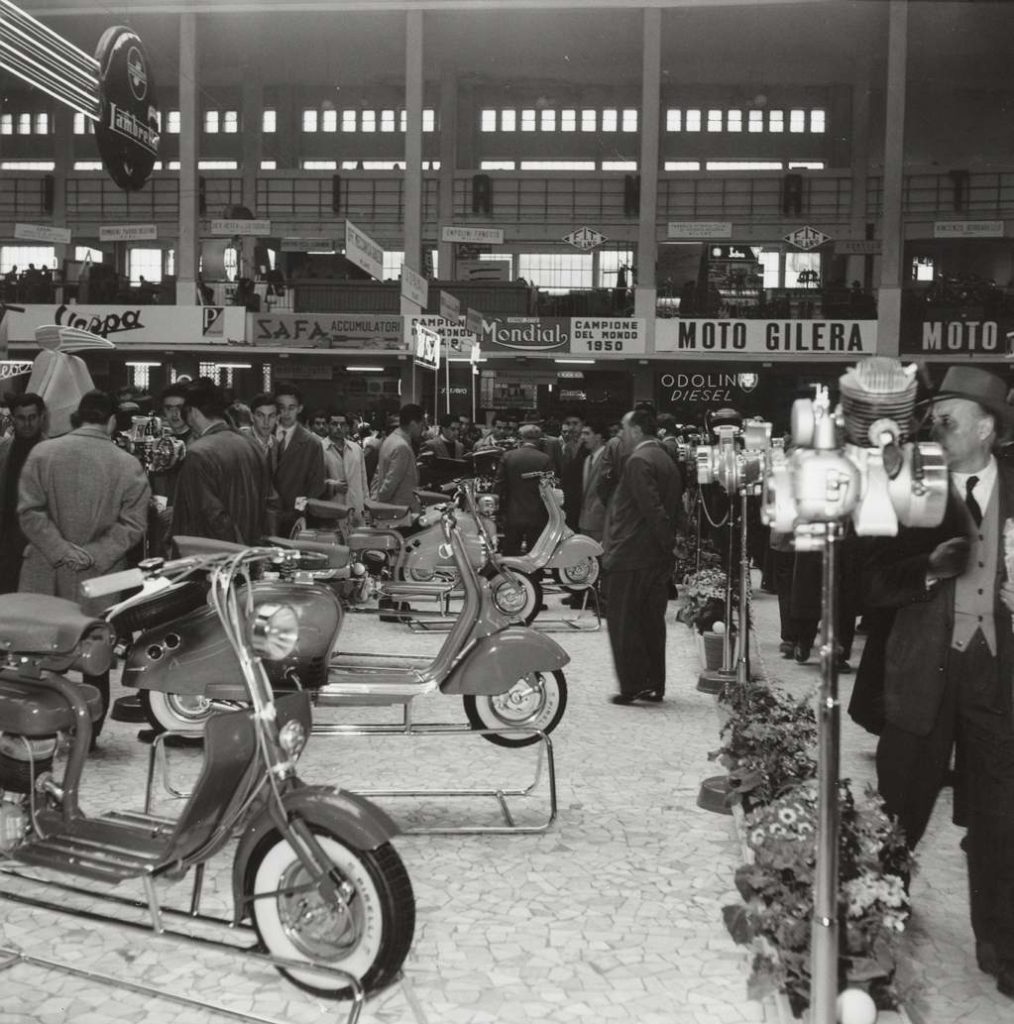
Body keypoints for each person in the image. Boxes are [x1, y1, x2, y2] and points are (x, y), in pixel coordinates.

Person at [865, 366, 1014, 999]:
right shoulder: (909, 488)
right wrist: (926, 568)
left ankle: (1002, 942)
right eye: (933, 417)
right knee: (900, 808)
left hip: (999, 678)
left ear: (986, 429)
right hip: (922, 671)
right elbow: (868, 581)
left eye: (948, 418)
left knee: (1002, 815)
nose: (936, 427)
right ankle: (874, 927)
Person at [18, 389, 150, 739]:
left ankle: (38, 733)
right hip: (101, 576)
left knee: (38, 655)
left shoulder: (42, 453)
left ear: (78, 417)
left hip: (44, 570)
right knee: (96, 657)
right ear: (111, 421)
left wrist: (61, 549)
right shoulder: (128, 464)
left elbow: (29, 513)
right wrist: (94, 553)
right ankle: (88, 736)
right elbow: (133, 526)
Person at [603, 408, 682, 705]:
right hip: (654, 557)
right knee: (651, 622)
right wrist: (671, 545)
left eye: (624, 430)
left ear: (636, 430)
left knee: (625, 622)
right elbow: (672, 508)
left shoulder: (638, 460)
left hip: (632, 553)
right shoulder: (665, 458)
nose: (620, 436)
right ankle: (653, 683)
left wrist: (667, 543)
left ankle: (633, 684)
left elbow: (651, 509)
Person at [171, 378, 269, 546]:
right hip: (252, 550)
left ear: (193, 412)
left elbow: (210, 516)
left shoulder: (198, 453)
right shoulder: (252, 444)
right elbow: (270, 504)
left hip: (214, 554)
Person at [0, 393, 46, 593]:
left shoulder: (53, 452)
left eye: (32, 417)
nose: (27, 424)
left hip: (40, 540)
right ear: (13, 418)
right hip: (7, 537)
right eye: (21, 418)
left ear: (42, 417)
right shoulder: (3, 449)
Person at [273, 382, 325, 535]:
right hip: (263, 515)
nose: (286, 413)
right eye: (281, 408)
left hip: (294, 516)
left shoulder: (312, 443)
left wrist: (298, 511)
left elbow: (315, 486)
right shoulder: (264, 435)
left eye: (291, 408)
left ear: (300, 408)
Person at [494, 423, 552, 556]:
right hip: (537, 515)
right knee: (535, 554)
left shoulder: (508, 456)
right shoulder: (545, 459)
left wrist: (499, 511)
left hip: (512, 513)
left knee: (510, 553)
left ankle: (511, 570)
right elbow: (550, 488)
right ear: (538, 440)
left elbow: (499, 486)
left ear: (521, 438)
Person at [371, 403, 424, 512]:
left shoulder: (390, 439)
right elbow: (390, 483)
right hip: (399, 510)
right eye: (421, 425)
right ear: (413, 424)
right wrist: (380, 504)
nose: (422, 429)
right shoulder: (401, 446)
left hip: (393, 506)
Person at [322, 411, 368, 519]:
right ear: (327, 426)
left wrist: (367, 504)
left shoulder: (356, 449)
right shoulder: (319, 448)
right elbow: (312, 481)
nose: (339, 428)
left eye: (342, 424)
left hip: (356, 507)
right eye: (334, 424)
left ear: (347, 427)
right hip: (332, 507)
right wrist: (331, 486)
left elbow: (363, 480)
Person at [577, 420, 608, 543]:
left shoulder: (608, 458)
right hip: (585, 521)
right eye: (582, 434)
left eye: (587, 433)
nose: (582, 437)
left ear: (598, 436)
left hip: (602, 521)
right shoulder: (587, 460)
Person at [559, 412, 587, 532]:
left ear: (583, 424)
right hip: (568, 498)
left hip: (584, 497)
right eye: (568, 424)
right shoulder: (567, 446)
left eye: (575, 424)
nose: (571, 427)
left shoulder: (588, 445)